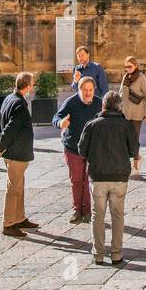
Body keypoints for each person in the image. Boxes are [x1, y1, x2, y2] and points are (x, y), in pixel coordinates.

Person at [78, 90, 139, 266]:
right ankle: (116, 254)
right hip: (120, 175)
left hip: (97, 175)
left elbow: (82, 150)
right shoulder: (126, 125)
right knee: (117, 215)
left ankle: (98, 254)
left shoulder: (92, 124)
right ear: (120, 106)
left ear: (103, 105)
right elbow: (134, 150)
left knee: (97, 215)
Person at [0, 72, 37, 238]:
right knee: (13, 189)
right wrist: (0, 147)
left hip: (14, 152)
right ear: (27, 85)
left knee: (19, 187)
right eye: (32, 83)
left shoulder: (9, 99)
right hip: (16, 153)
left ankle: (19, 218)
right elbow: (11, 129)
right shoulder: (19, 105)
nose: (33, 85)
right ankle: (9, 224)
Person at [53, 75, 101, 223]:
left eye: (90, 90)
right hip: (73, 147)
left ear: (94, 90)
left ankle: (87, 211)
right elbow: (56, 117)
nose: (88, 93)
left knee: (88, 180)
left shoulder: (99, 103)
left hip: (91, 149)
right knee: (76, 180)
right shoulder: (71, 102)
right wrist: (61, 123)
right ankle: (76, 210)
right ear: (79, 90)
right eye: (85, 90)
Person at [112, 56, 146, 172]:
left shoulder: (141, 77)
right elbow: (120, 93)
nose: (128, 69)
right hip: (125, 113)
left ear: (135, 66)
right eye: (126, 67)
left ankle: (135, 162)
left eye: (130, 66)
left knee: (134, 138)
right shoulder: (125, 77)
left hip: (137, 113)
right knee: (124, 138)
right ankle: (131, 159)